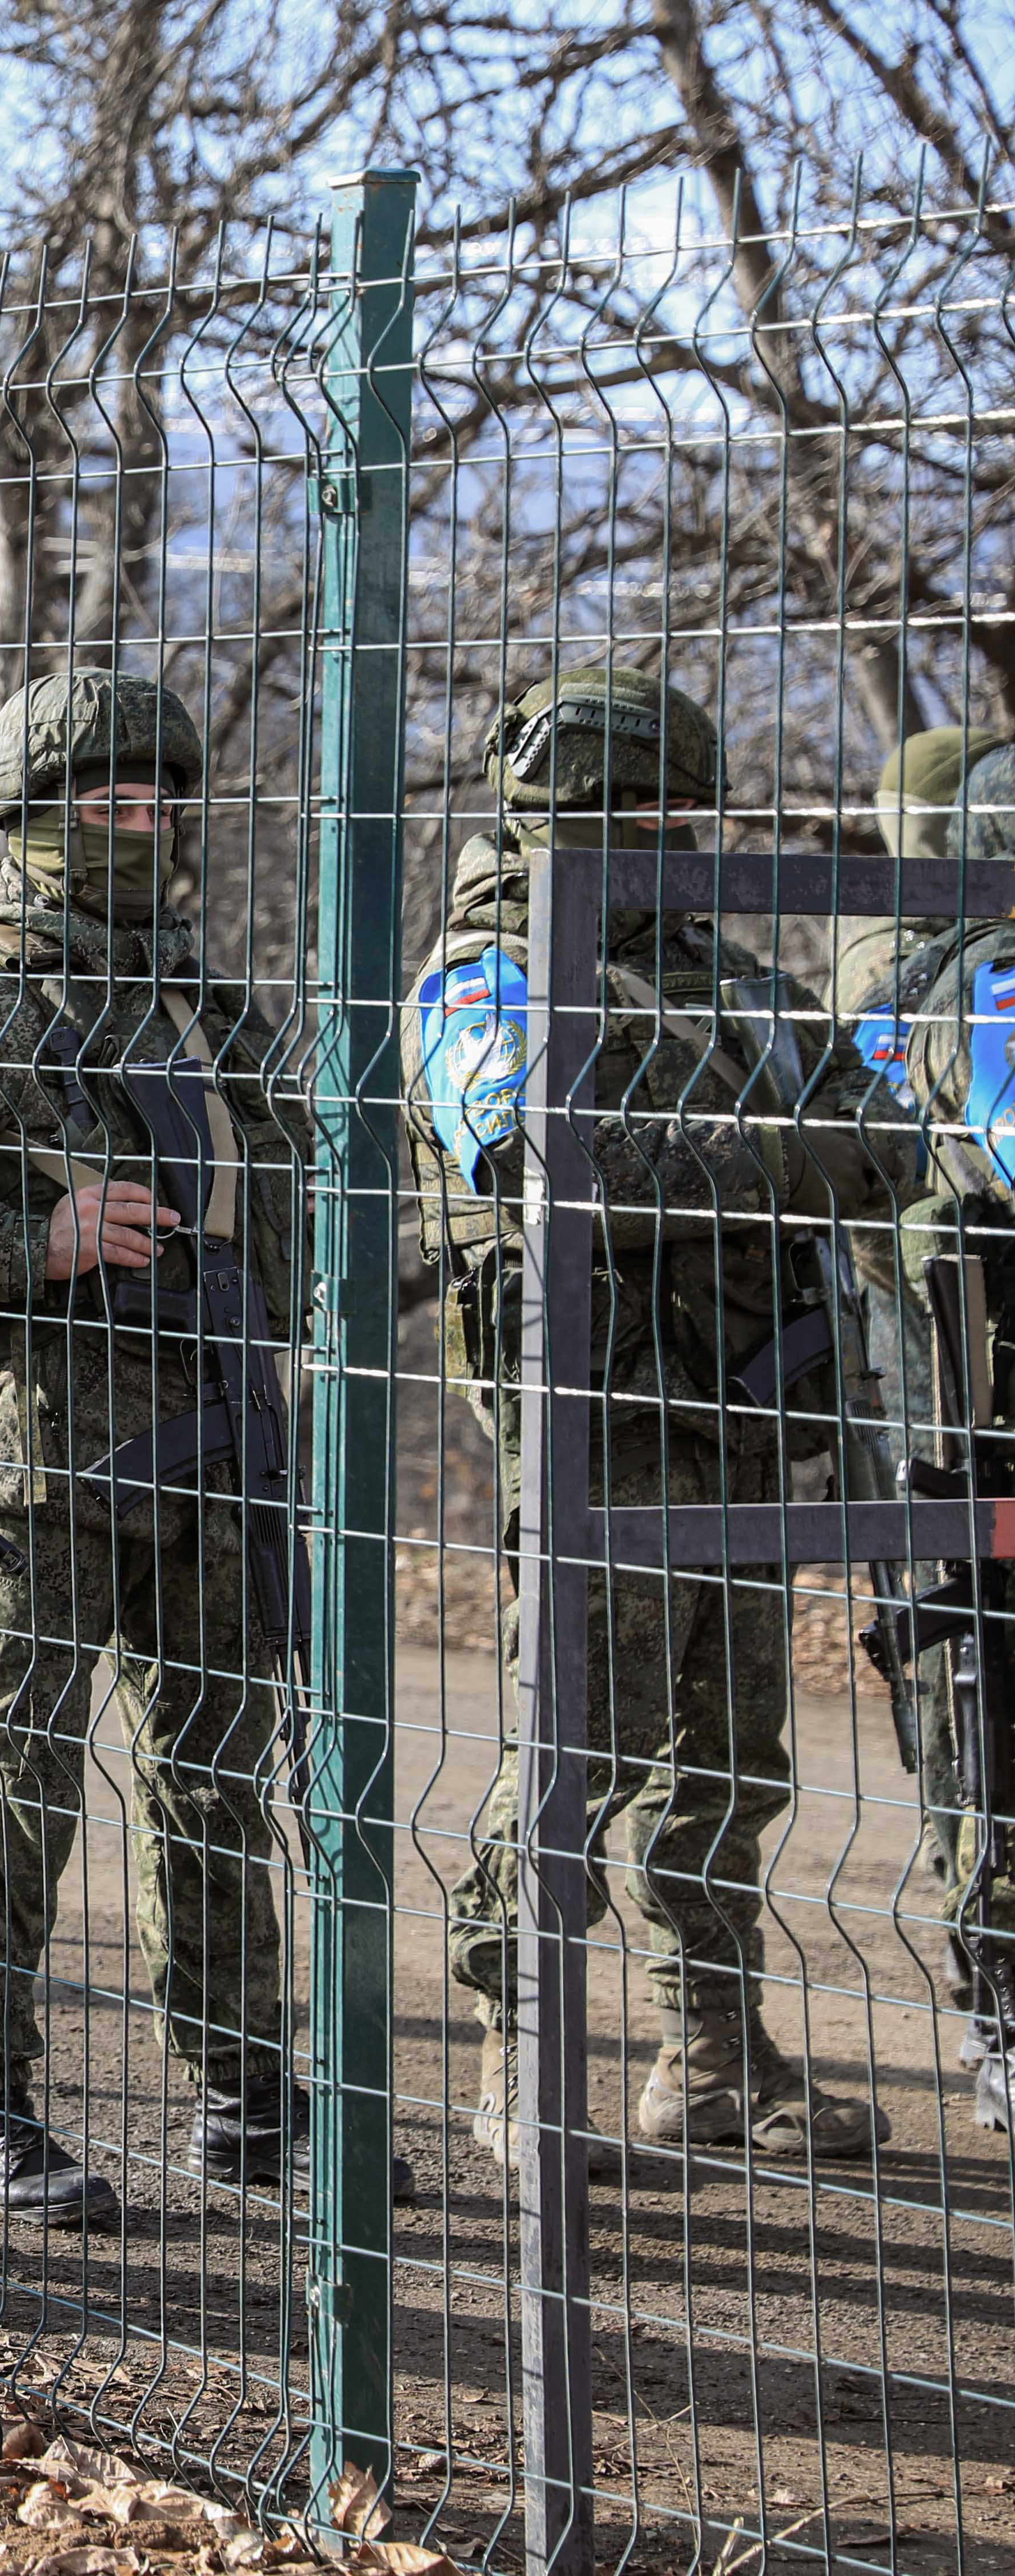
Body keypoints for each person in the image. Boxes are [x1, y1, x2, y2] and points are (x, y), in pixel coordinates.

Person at [0, 668, 353, 2230]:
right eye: (106, 803)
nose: (143, 828)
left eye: (162, 801)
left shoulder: (209, 1005)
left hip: (226, 1447)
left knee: (218, 1784)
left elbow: (310, 1199)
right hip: (37, 1468)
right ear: (25, 820)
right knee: (14, 1778)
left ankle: (244, 2089)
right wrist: (27, 1242)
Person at [403, 666, 889, 2172]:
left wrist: (745, 1158)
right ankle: (520, 2068)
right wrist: (776, 1154)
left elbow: (878, 1134)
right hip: (591, 1417)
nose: (678, 834)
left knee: (734, 1765)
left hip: (744, 1417)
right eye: (644, 811)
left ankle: (717, 2056)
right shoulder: (480, 975)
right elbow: (549, 1155)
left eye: (691, 808)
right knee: (576, 1758)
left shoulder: (728, 979)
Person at [844, 735, 1015, 2133]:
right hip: (948, 1398)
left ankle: (992, 1996)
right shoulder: (943, 977)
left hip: (930, 1398)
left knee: (962, 1698)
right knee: (969, 1705)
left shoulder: (897, 975)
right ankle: (998, 2003)